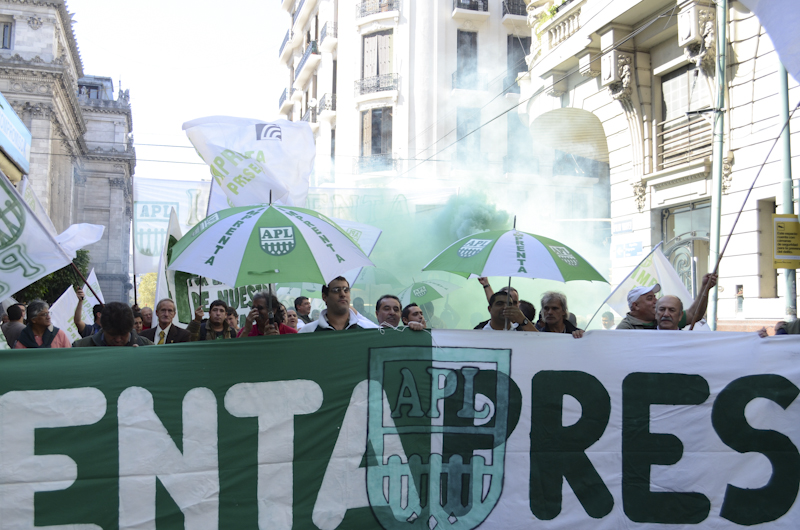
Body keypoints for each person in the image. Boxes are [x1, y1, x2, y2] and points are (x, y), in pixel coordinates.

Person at [616, 274, 717, 330]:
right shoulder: (625, 328)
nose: (656, 301)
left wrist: (705, 288)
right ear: (636, 305)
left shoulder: (665, 319)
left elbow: (694, 314)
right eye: (650, 298)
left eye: (655, 297)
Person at [300, 277, 379, 332]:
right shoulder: (308, 332)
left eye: (346, 290)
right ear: (324, 297)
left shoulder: (369, 329)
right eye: (336, 290)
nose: (342, 294)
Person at [73, 302, 154, 347]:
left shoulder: (146, 346)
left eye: (123, 334)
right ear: (103, 328)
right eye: (113, 335)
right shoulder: (81, 347)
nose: (118, 339)